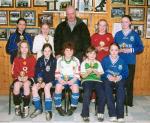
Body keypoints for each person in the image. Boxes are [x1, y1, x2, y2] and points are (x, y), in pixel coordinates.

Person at [114, 15, 144, 107]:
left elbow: (141, 48)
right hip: (119, 62)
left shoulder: (134, 34)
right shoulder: (118, 34)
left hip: (130, 62)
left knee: (129, 82)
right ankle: (119, 100)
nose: (124, 23)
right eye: (122, 22)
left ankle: (128, 102)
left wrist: (130, 50)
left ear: (130, 23)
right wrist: (118, 50)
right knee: (119, 81)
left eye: (126, 21)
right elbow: (114, 48)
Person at [101, 43, 128, 122]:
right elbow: (101, 71)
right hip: (108, 79)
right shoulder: (105, 59)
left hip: (119, 79)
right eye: (112, 50)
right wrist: (108, 76)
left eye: (116, 50)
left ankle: (120, 115)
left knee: (121, 89)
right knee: (107, 88)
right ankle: (112, 114)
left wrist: (119, 77)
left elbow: (126, 72)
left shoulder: (122, 60)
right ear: (109, 51)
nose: (114, 52)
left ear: (118, 51)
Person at [30, 43, 56, 121]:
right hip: (41, 80)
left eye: (49, 51)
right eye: (45, 51)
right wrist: (38, 81)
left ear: (51, 51)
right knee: (34, 88)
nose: (47, 53)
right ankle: (38, 109)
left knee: (46, 88)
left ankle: (48, 111)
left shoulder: (54, 60)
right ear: (42, 51)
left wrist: (45, 82)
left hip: (52, 80)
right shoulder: (39, 60)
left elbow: (53, 74)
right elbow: (36, 72)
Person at [54, 42, 80, 116]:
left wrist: (73, 80)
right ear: (64, 51)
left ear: (73, 51)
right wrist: (60, 79)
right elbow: (57, 72)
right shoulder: (59, 60)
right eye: (67, 50)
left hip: (73, 78)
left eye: (71, 50)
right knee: (58, 87)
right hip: (62, 77)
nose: (69, 52)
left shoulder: (76, 60)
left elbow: (77, 73)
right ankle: (58, 106)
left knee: (75, 88)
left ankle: (73, 107)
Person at [91, 19, 114, 102]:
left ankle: (106, 96)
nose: (102, 27)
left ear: (106, 26)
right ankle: (93, 96)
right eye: (100, 25)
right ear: (98, 26)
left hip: (107, 62)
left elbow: (113, 48)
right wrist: (96, 49)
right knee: (95, 78)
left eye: (104, 25)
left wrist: (108, 48)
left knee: (106, 79)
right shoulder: (94, 36)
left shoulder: (110, 36)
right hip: (96, 61)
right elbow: (90, 50)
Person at [12, 40, 36, 118]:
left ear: (28, 48)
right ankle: (17, 106)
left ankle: (26, 107)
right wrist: (18, 76)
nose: (24, 49)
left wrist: (27, 76)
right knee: (16, 86)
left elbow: (34, 70)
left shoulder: (32, 58)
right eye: (22, 47)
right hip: (19, 78)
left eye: (26, 47)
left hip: (29, 78)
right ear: (19, 49)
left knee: (26, 85)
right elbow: (13, 71)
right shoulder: (16, 59)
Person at [80, 46, 105, 122]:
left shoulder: (98, 63)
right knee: (87, 94)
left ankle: (100, 112)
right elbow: (83, 76)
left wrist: (94, 70)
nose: (92, 55)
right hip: (87, 80)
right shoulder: (84, 63)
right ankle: (85, 114)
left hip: (97, 81)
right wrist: (89, 71)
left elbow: (99, 76)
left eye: (94, 53)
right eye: (90, 53)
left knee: (102, 94)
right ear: (87, 54)